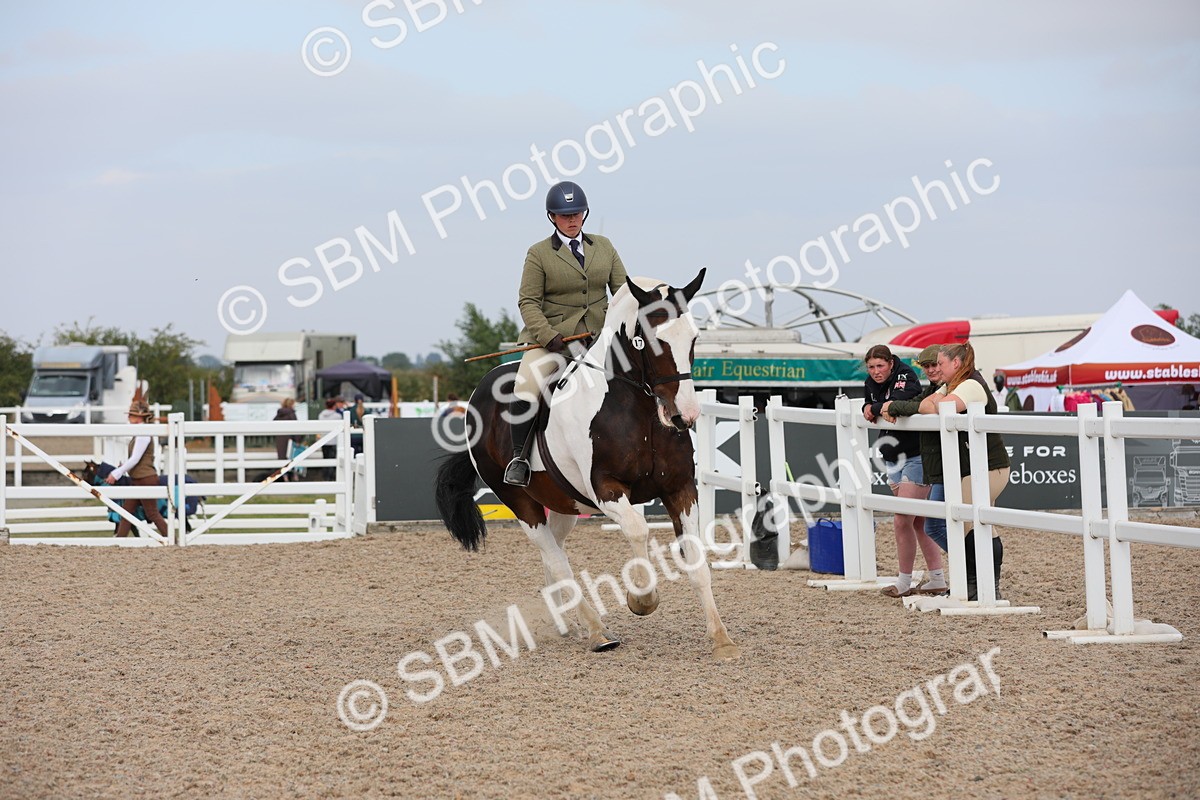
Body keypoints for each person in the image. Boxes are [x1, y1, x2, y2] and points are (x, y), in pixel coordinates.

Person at [504, 181, 629, 486]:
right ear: (552, 217)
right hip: (553, 341)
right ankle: (519, 459)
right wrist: (548, 336)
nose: (572, 219)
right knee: (527, 387)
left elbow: (624, 291)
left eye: (577, 213)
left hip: (599, 336)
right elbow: (528, 302)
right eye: (565, 215)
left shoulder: (604, 246)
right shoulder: (539, 254)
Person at [916, 342, 1010, 601]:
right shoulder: (958, 383)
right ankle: (979, 584)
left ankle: (982, 584)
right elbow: (926, 405)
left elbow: (944, 406)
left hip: (987, 466)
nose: (938, 370)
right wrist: (937, 398)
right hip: (977, 466)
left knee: (972, 524)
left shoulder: (969, 384)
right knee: (974, 523)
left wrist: (938, 399)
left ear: (955, 363)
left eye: (942, 364)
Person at [862, 344, 944, 598]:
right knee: (917, 521)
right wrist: (870, 407)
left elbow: (898, 402)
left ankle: (904, 581)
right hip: (892, 458)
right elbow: (870, 405)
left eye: (880, 366)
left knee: (901, 519)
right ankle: (937, 579)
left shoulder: (905, 376)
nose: (876, 372)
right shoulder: (870, 382)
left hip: (915, 456)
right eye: (871, 367)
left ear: (890, 363)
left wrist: (874, 408)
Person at [105, 400, 169, 539]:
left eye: (131, 415)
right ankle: (120, 540)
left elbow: (135, 459)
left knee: (151, 513)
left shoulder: (143, 433)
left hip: (145, 479)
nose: (129, 418)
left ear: (139, 416)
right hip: (139, 479)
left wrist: (117, 473)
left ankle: (172, 539)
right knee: (127, 511)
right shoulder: (140, 431)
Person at [273, 398, 301, 481]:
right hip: (290, 439)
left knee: (282, 458)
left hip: (280, 439)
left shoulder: (279, 414)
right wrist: (297, 440)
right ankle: (295, 476)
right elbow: (295, 428)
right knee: (293, 458)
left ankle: (285, 477)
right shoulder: (292, 414)